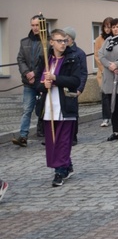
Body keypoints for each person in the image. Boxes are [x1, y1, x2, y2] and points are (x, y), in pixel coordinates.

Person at [35, 29, 82, 187]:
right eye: (60, 41)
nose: (63, 44)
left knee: (63, 140)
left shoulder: (72, 58)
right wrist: (44, 85)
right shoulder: (45, 59)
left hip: (65, 105)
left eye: (65, 41)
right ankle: (66, 164)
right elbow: (36, 83)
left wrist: (56, 79)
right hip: (48, 105)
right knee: (52, 140)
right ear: (51, 42)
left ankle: (59, 170)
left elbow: (75, 80)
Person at [13, 14, 43, 147]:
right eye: (33, 25)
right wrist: (27, 74)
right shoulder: (24, 42)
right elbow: (20, 59)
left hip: (41, 81)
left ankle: (45, 133)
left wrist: (35, 74)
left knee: (43, 109)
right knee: (27, 110)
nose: (35, 28)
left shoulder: (48, 41)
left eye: (37, 25)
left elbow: (45, 62)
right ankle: (23, 136)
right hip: (28, 82)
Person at [62, 27, 88, 145]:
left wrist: (80, 88)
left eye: (65, 38)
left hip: (73, 86)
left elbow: (83, 73)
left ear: (71, 39)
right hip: (61, 84)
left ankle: (73, 136)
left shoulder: (79, 53)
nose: (63, 41)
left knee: (72, 111)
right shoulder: (60, 52)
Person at [94, 17, 114, 128]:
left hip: (114, 70)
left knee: (115, 95)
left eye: (109, 27)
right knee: (105, 95)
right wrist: (104, 68)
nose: (107, 29)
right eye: (105, 27)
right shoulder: (99, 39)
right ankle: (106, 117)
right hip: (103, 72)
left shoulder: (115, 38)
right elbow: (97, 56)